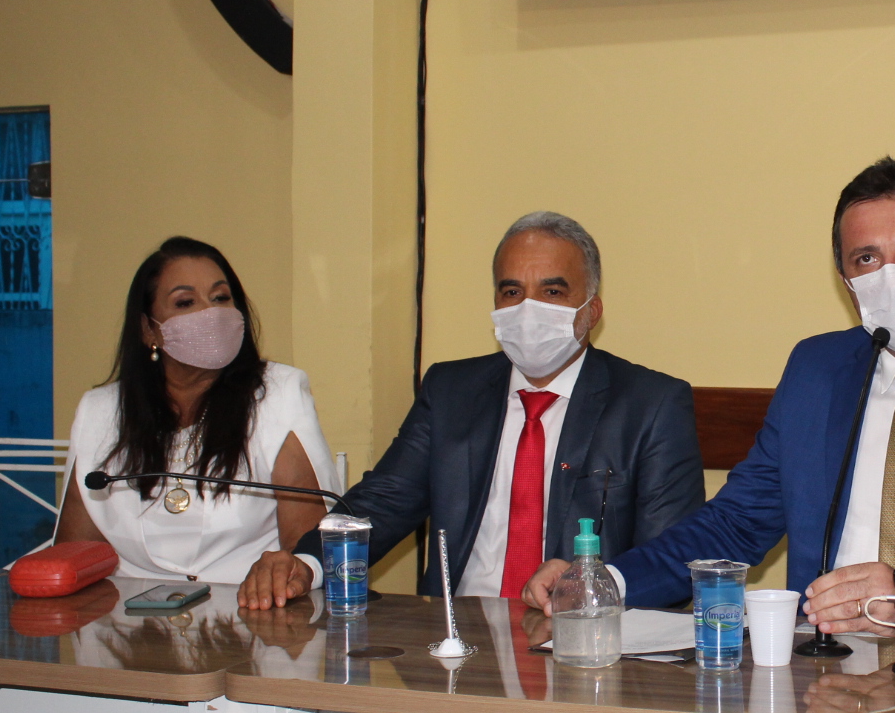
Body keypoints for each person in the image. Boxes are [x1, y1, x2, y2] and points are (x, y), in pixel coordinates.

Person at [524, 159, 895, 633]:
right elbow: (733, 527)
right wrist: (604, 582)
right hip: (820, 678)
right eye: (867, 258)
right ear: (847, 282)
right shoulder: (818, 372)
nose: (890, 275)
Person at [294, 212, 705, 598]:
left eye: (552, 292)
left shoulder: (651, 405)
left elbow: (670, 558)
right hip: (456, 629)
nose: (528, 309)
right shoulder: (451, 391)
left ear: (592, 311)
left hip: (581, 630)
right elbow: (385, 501)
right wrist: (307, 565)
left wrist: (594, 588)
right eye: (512, 292)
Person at [56, 237, 338, 612]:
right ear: (149, 330)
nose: (211, 313)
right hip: (127, 623)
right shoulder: (101, 411)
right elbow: (75, 556)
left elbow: (306, 549)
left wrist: (282, 576)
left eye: (221, 298)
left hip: (252, 615)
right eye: (186, 303)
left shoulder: (278, 394)